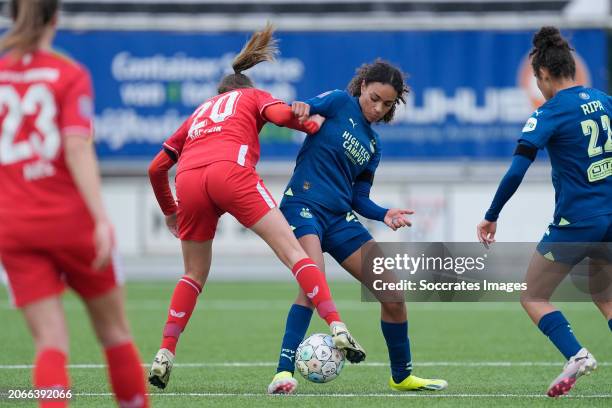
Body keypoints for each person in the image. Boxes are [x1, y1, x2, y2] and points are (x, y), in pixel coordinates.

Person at [147, 24, 366, 390]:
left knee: (193, 275)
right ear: (244, 89)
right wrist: (312, 127)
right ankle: (338, 327)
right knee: (295, 254)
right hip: (230, 172)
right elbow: (282, 117)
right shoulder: (251, 97)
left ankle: (164, 352)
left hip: (188, 180)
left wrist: (171, 210)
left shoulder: (199, 113)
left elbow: (156, 168)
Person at [267, 60, 448, 394]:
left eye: (387, 104)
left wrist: (383, 214)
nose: (378, 108)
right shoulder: (338, 102)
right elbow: (299, 112)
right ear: (363, 85)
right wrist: (302, 108)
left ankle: (402, 376)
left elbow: (358, 198)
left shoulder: (373, 147)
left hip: (339, 219)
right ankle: (282, 373)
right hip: (302, 205)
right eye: (374, 98)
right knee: (313, 282)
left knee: (392, 294)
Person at [0, 1, 149, 407]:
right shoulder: (69, 74)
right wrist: (101, 219)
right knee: (114, 333)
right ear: (55, 18)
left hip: (13, 226)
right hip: (70, 221)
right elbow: (76, 145)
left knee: (50, 342)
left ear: (12, 16)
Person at [477, 26, 612, 397]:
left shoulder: (549, 113)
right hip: (609, 218)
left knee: (532, 295)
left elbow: (517, 169)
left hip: (576, 223)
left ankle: (577, 355)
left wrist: (492, 214)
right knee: (604, 295)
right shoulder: (604, 100)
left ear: (545, 76)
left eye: (538, 81)